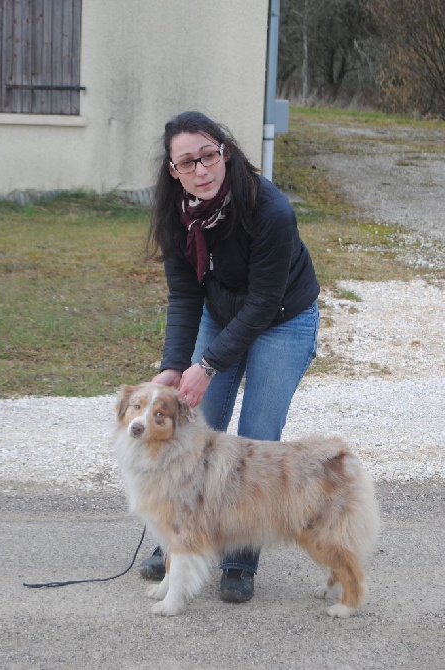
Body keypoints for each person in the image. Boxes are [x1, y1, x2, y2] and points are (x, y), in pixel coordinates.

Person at [139, 110, 320, 603]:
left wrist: (210, 364)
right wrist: (176, 365)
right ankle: (180, 544)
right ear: (173, 171)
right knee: (192, 432)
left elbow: (263, 303)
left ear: (226, 150)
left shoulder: (270, 210)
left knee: (257, 440)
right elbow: (184, 297)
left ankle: (240, 557)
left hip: (283, 318)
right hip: (220, 314)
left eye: (209, 155)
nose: (202, 170)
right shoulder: (177, 213)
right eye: (188, 162)